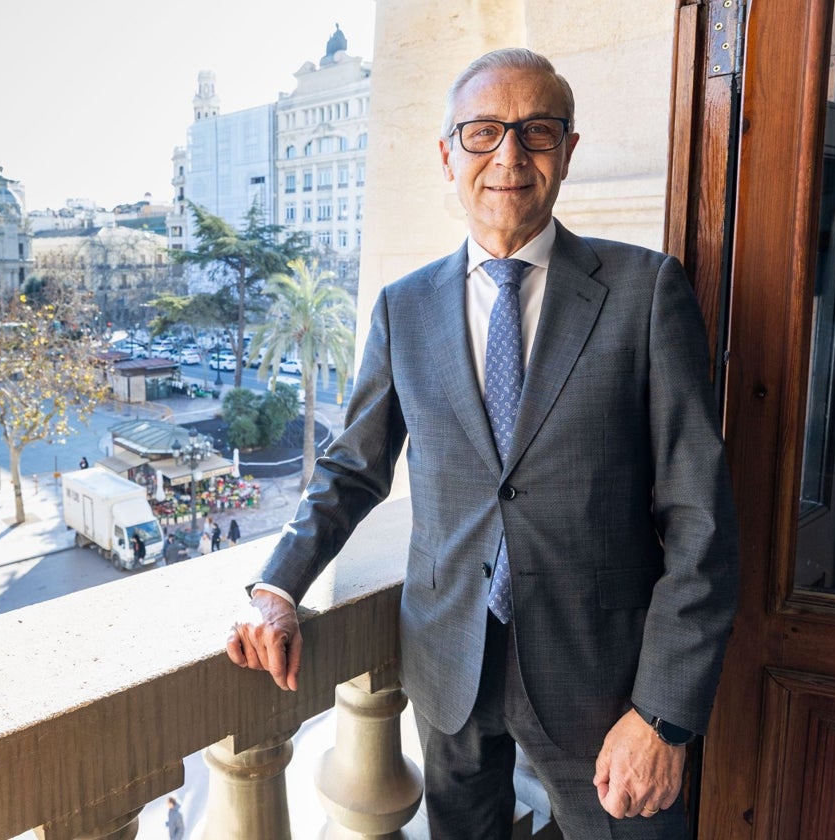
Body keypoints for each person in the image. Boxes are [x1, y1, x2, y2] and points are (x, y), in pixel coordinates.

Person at [225, 48, 738, 840]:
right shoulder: (404, 309)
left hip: (603, 686)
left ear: (568, 151)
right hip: (448, 665)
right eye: (483, 133)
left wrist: (663, 716)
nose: (509, 156)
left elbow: (700, 519)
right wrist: (277, 586)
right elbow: (351, 469)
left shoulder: (646, 292)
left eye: (536, 132)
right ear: (446, 154)